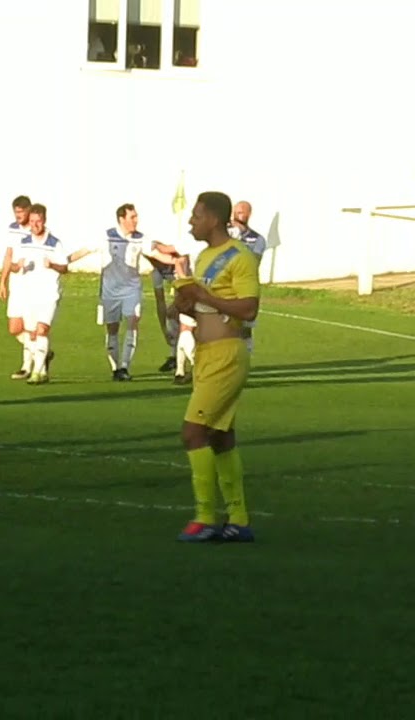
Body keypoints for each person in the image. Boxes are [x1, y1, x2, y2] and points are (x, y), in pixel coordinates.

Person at [171, 191, 260, 543]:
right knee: (221, 437)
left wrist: (204, 297)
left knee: (192, 433)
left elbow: (249, 309)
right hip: (206, 353)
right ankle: (238, 519)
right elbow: (208, 307)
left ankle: (205, 517)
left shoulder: (240, 257)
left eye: (196, 216)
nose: (191, 222)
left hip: (227, 354)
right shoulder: (205, 256)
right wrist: (186, 305)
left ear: (213, 219)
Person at [68, 203, 182, 380]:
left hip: (132, 290)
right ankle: (115, 368)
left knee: (132, 322)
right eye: (132, 217)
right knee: (112, 329)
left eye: (136, 216)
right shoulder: (106, 236)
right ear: (122, 219)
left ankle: (124, 367)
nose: (136, 220)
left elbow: (158, 255)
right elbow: (84, 251)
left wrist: (179, 260)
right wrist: (63, 262)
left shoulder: (140, 239)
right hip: (110, 291)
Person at [8, 203, 70, 385]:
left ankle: (35, 372)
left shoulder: (54, 243)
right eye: (32, 221)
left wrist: (52, 265)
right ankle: (42, 370)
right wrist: (16, 266)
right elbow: (13, 265)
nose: (35, 225)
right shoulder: (23, 242)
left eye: (38, 221)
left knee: (42, 330)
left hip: (49, 294)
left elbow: (64, 268)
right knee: (31, 334)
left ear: (44, 220)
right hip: (29, 295)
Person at [0, 195, 54, 380]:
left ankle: (27, 366)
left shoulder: (38, 231)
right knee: (15, 328)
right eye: (16, 213)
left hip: (33, 285)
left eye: (21, 212)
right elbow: (9, 255)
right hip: (17, 283)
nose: (18, 216)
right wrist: (3, 280)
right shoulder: (13, 229)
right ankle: (42, 353)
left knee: (32, 327)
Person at [152, 236, 199, 383]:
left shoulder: (184, 252)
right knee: (183, 328)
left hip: (194, 292)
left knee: (186, 330)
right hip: (200, 291)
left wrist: (152, 245)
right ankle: (179, 371)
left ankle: (197, 365)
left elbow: (181, 272)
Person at [228, 200, 268, 354]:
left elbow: (254, 263)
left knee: (245, 327)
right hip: (226, 285)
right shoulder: (223, 233)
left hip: (245, 287)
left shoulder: (257, 239)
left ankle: (245, 358)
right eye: (237, 212)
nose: (239, 215)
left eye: (242, 212)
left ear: (249, 214)